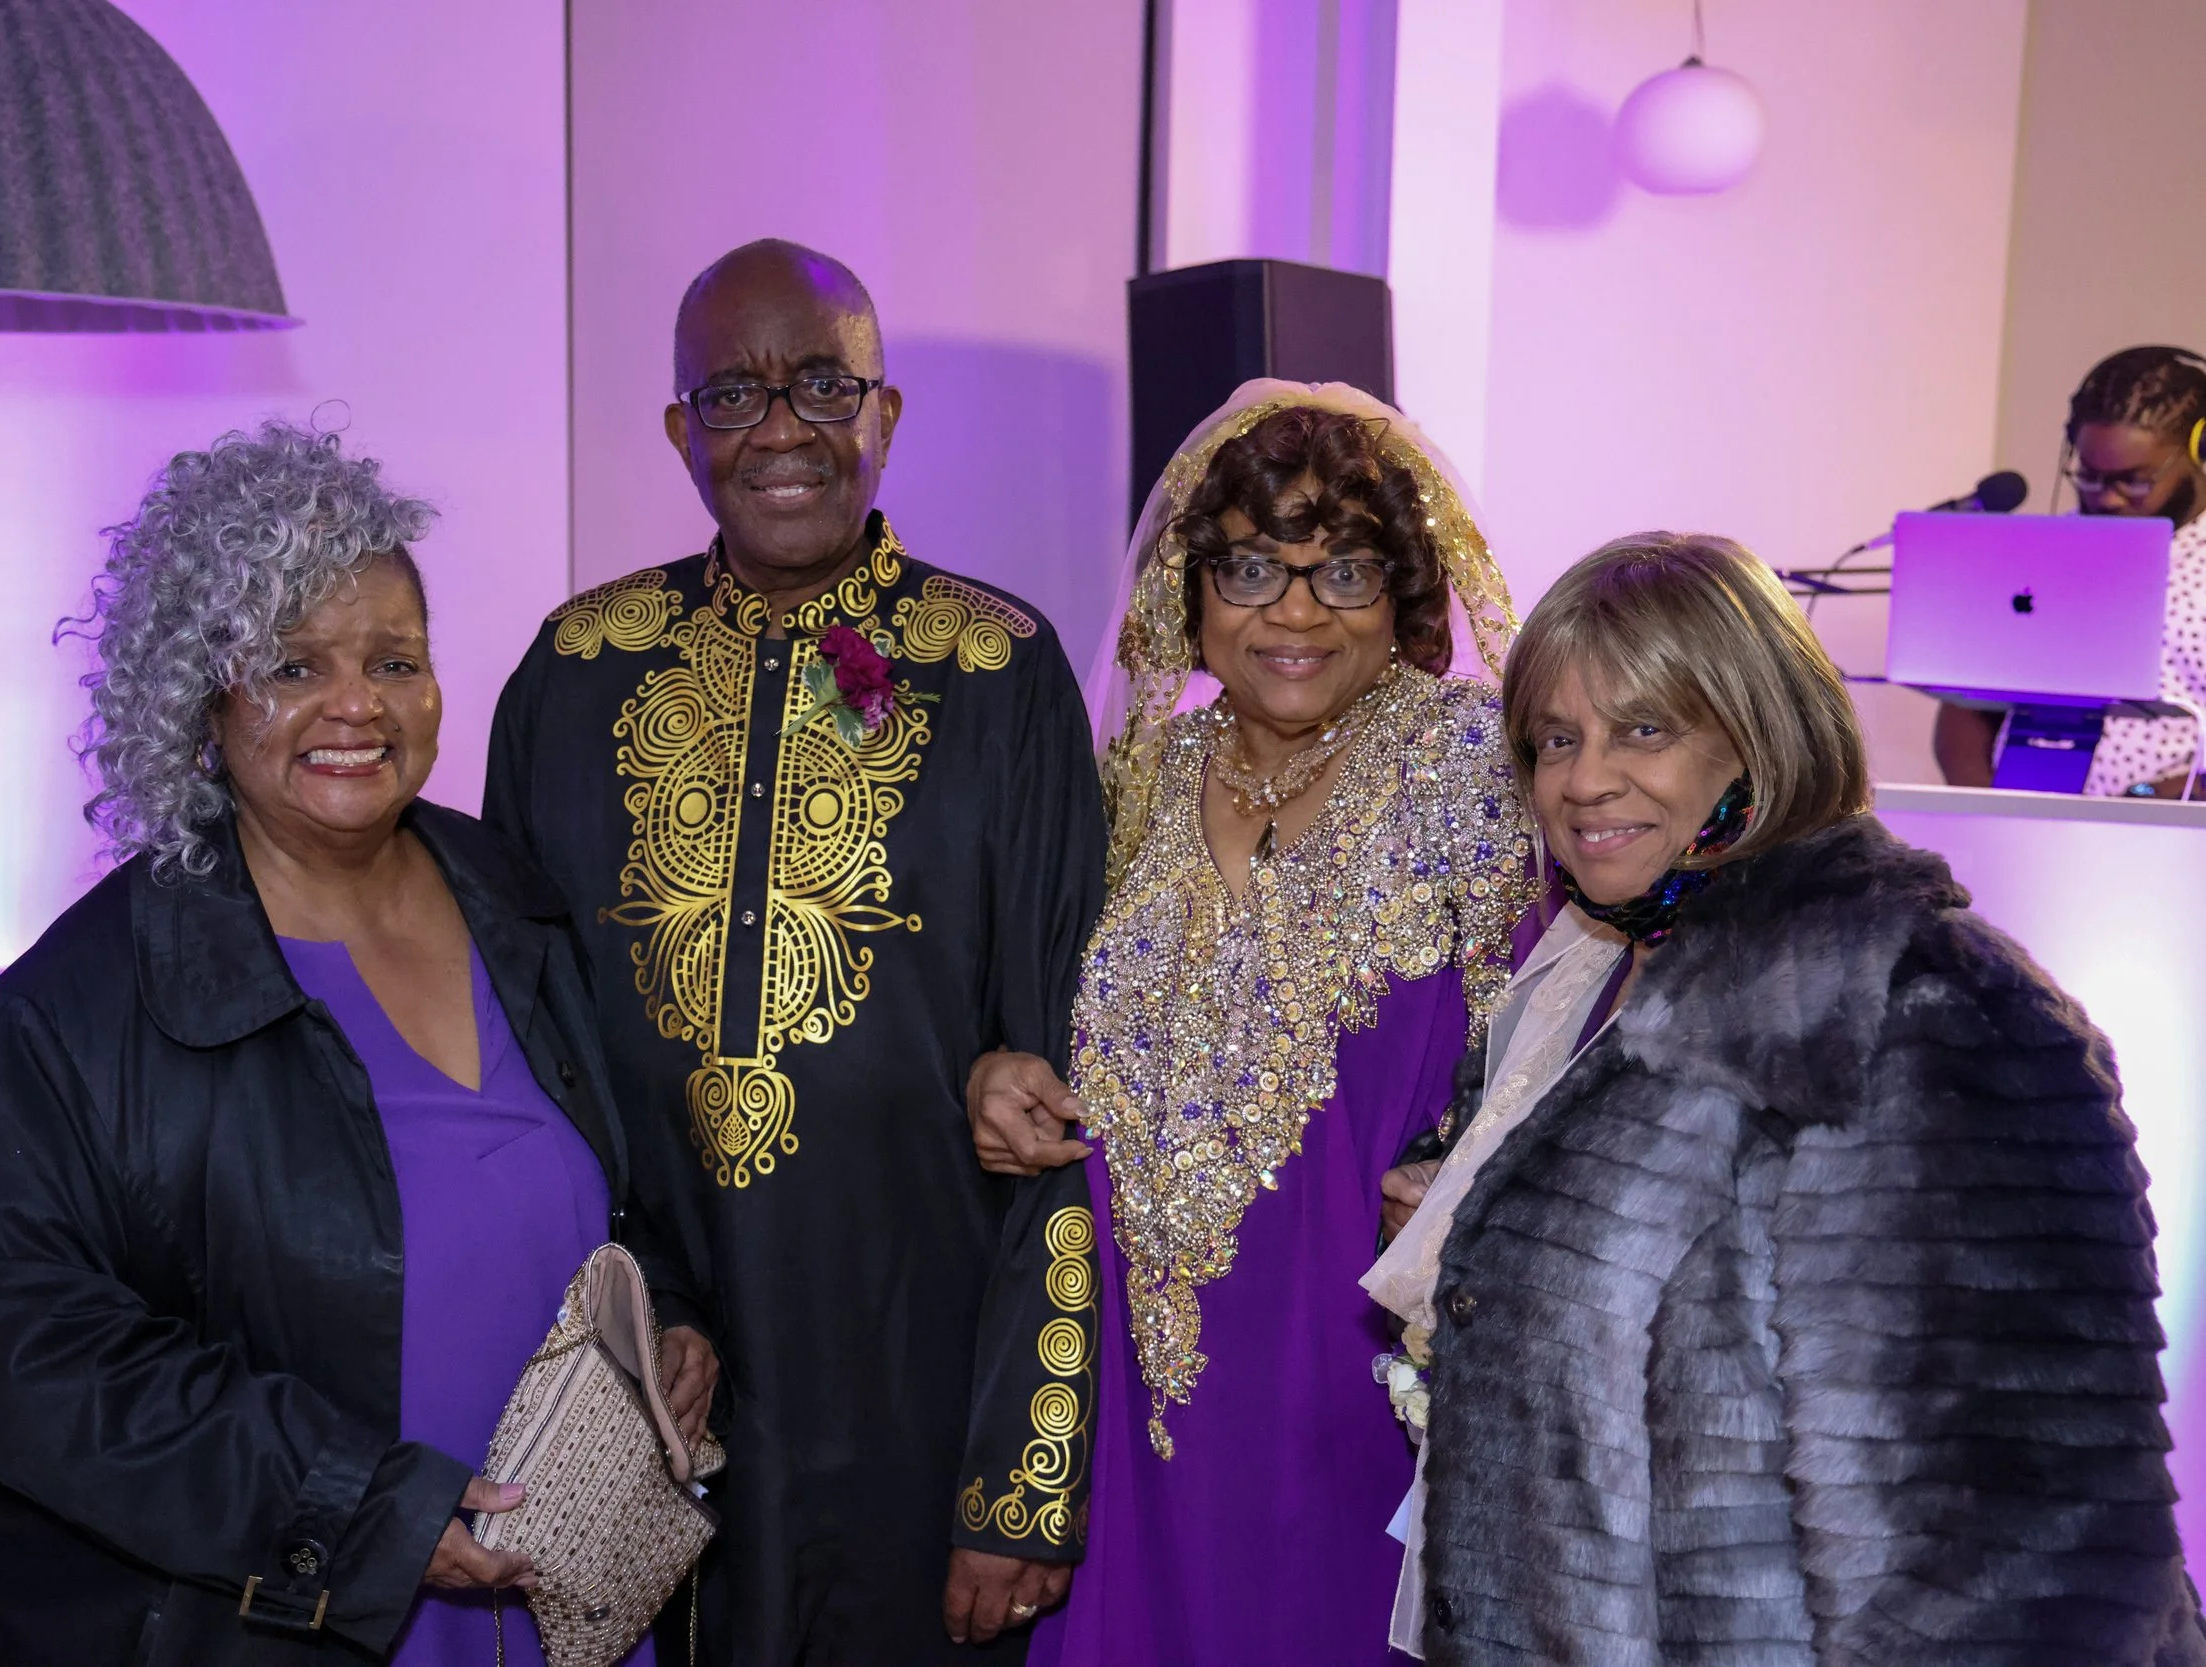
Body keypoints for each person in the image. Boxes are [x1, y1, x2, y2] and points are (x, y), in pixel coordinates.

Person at [0, 422, 715, 1666]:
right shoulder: (80, 1005)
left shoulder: (518, 903)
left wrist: (668, 1319)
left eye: (394, 660)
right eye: (292, 665)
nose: (357, 703)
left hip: (557, 1605)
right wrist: (362, 1510)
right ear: (202, 699)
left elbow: (619, 1190)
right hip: (290, 1616)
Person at [1372, 532, 2202, 1663]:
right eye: (1555, 738)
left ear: (1761, 732)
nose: (1582, 779)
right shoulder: (1597, 974)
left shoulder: (1910, 1006)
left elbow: (2005, 1569)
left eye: (1644, 728)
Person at [483, 240, 1105, 1666]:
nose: (781, 428)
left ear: (887, 413)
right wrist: (632, 1310)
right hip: (661, 1388)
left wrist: (1026, 1472)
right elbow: (524, 1058)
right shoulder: (576, 672)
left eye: (824, 384)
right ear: (678, 430)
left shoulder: (996, 671)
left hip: (918, 1385)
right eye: (732, 393)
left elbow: (1072, 1093)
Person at [968, 381, 1536, 1666]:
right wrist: (994, 1070)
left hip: (1362, 1376)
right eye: (1249, 567)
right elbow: (1023, 1004)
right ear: (1191, 587)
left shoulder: (1475, 766)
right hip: (1134, 1386)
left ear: (1402, 592)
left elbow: (1556, 1043)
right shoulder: (1135, 779)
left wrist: (1467, 1177)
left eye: (1344, 570)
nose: (1293, 611)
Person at [1934, 344, 2206, 797]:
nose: (2108, 498)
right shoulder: (2043, 552)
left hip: (2173, 832)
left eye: (2133, 480)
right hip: (2017, 825)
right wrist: (1988, 810)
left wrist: (2157, 805)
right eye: (2090, 475)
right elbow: (1963, 710)